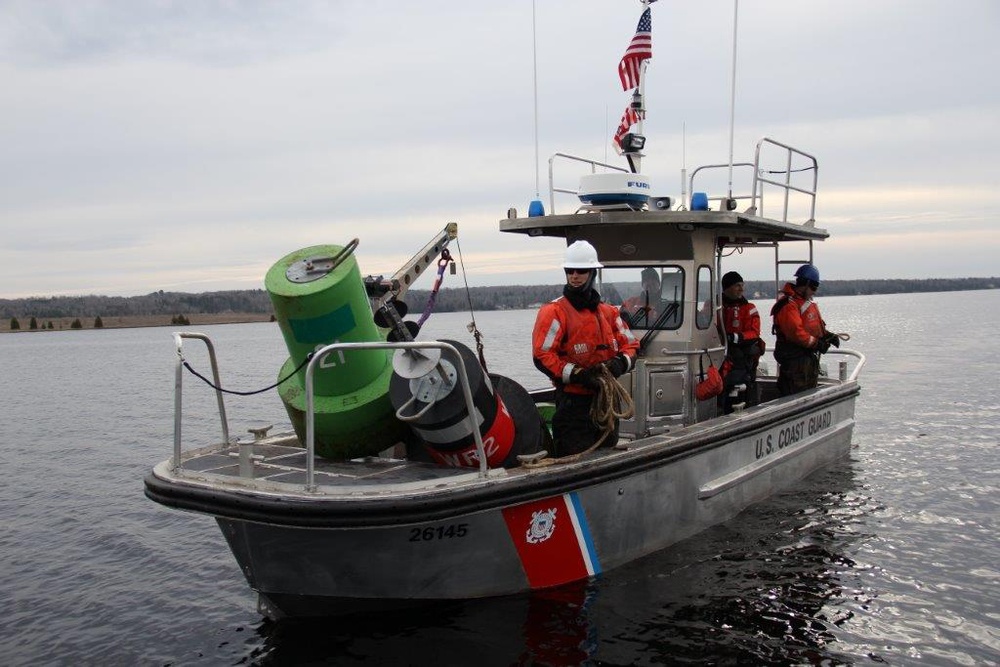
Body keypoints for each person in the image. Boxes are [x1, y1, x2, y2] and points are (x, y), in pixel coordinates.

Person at [532, 240, 640, 455]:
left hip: (606, 405)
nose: (574, 275)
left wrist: (620, 363)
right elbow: (542, 355)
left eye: (580, 271)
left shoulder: (609, 312)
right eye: (569, 270)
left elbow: (631, 344)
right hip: (574, 405)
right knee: (573, 457)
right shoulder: (554, 312)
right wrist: (578, 375)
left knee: (607, 454)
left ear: (592, 273)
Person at [770, 264, 840, 396]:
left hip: (806, 363)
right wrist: (817, 344)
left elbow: (812, 327)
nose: (815, 291)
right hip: (794, 362)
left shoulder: (803, 303)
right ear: (806, 284)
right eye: (814, 287)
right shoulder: (788, 306)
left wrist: (827, 335)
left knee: (807, 394)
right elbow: (796, 333)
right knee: (795, 396)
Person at [718, 271, 765, 412]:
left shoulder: (749, 308)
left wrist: (735, 337)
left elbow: (754, 332)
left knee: (740, 394)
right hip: (719, 359)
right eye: (737, 285)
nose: (741, 289)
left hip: (741, 361)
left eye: (742, 285)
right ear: (727, 287)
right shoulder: (715, 306)